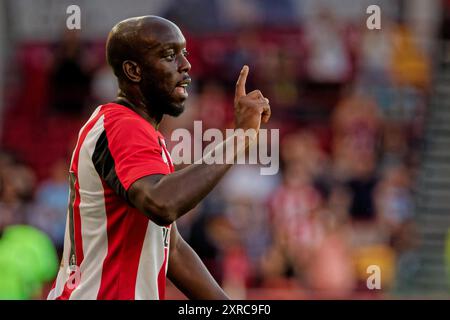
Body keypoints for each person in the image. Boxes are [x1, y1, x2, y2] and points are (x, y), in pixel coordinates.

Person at [47, 15, 271, 300]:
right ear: (133, 70)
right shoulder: (120, 125)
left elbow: (171, 246)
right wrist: (240, 137)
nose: (186, 65)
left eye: (184, 54)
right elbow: (162, 204)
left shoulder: (140, 132)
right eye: (169, 55)